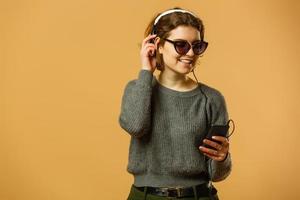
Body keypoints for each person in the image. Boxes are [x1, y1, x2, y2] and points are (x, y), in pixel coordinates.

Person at [119, 7, 232, 200]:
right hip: (147, 196)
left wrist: (223, 158)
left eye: (197, 46)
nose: (190, 53)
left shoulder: (212, 99)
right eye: (181, 45)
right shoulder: (137, 89)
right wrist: (146, 71)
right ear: (158, 45)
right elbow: (136, 126)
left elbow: (217, 174)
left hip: (199, 196)